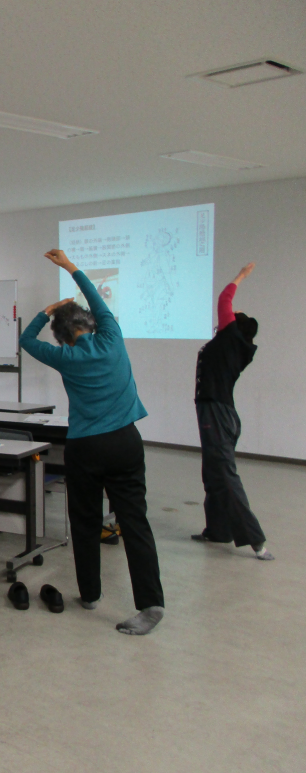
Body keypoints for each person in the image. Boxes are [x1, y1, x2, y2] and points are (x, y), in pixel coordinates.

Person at [19, 249, 165, 636]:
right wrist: (70, 267)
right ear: (91, 323)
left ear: (63, 337)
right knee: (135, 522)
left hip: (86, 447)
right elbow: (98, 302)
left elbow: (26, 340)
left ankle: (90, 595)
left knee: (84, 522)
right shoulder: (112, 337)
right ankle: (151, 603)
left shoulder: (65, 357)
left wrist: (46, 311)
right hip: (126, 442)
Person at [193, 263, 271, 559]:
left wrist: (241, 276)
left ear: (234, 327)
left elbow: (224, 299)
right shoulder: (236, 346)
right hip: (219, 413)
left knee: (224, 476)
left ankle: (256, 541)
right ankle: (218, 530)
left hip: (216, 414)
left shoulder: (229, 338)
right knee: (213, 474)